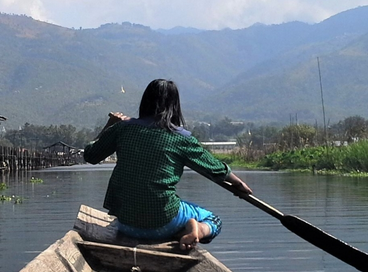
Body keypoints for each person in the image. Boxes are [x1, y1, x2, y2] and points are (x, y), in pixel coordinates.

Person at [84, 79, 252, 250]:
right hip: (164, 222)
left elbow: (90, 155)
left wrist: (109, 126)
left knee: (158, 213)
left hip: (126, 224)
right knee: (214, 221)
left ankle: (181, 230)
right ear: (174, 105)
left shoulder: (122, 129)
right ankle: (197, 229)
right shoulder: (181, 138)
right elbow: (214, 168)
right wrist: (238, 182)